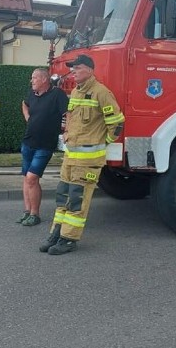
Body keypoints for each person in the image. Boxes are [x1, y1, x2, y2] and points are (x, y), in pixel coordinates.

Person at [39, 54, 124, 255]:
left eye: (77, 68)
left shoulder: (101, 92)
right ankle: (57, 233)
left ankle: (69, 239)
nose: (73, 72)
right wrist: (67, 133)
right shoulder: (76, 92)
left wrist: (105, 143)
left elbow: (117, 122)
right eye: (73, 68)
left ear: (89, 70)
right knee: (63, 196)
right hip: (71, 157)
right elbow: (70, 118)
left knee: (77, 199)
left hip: (88, 160)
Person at [17, 67, 68, 226]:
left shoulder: (57, 95)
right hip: (28, 142)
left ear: (44, 79)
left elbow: (68, 114)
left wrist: (67, 131)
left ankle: (35, 214)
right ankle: (27, 212)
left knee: (32, 177)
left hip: (45, 145)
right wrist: (28, 118)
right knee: (26, 177)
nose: (31, 81)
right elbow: (24, 104)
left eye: (34, 78)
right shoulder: (32, 94)